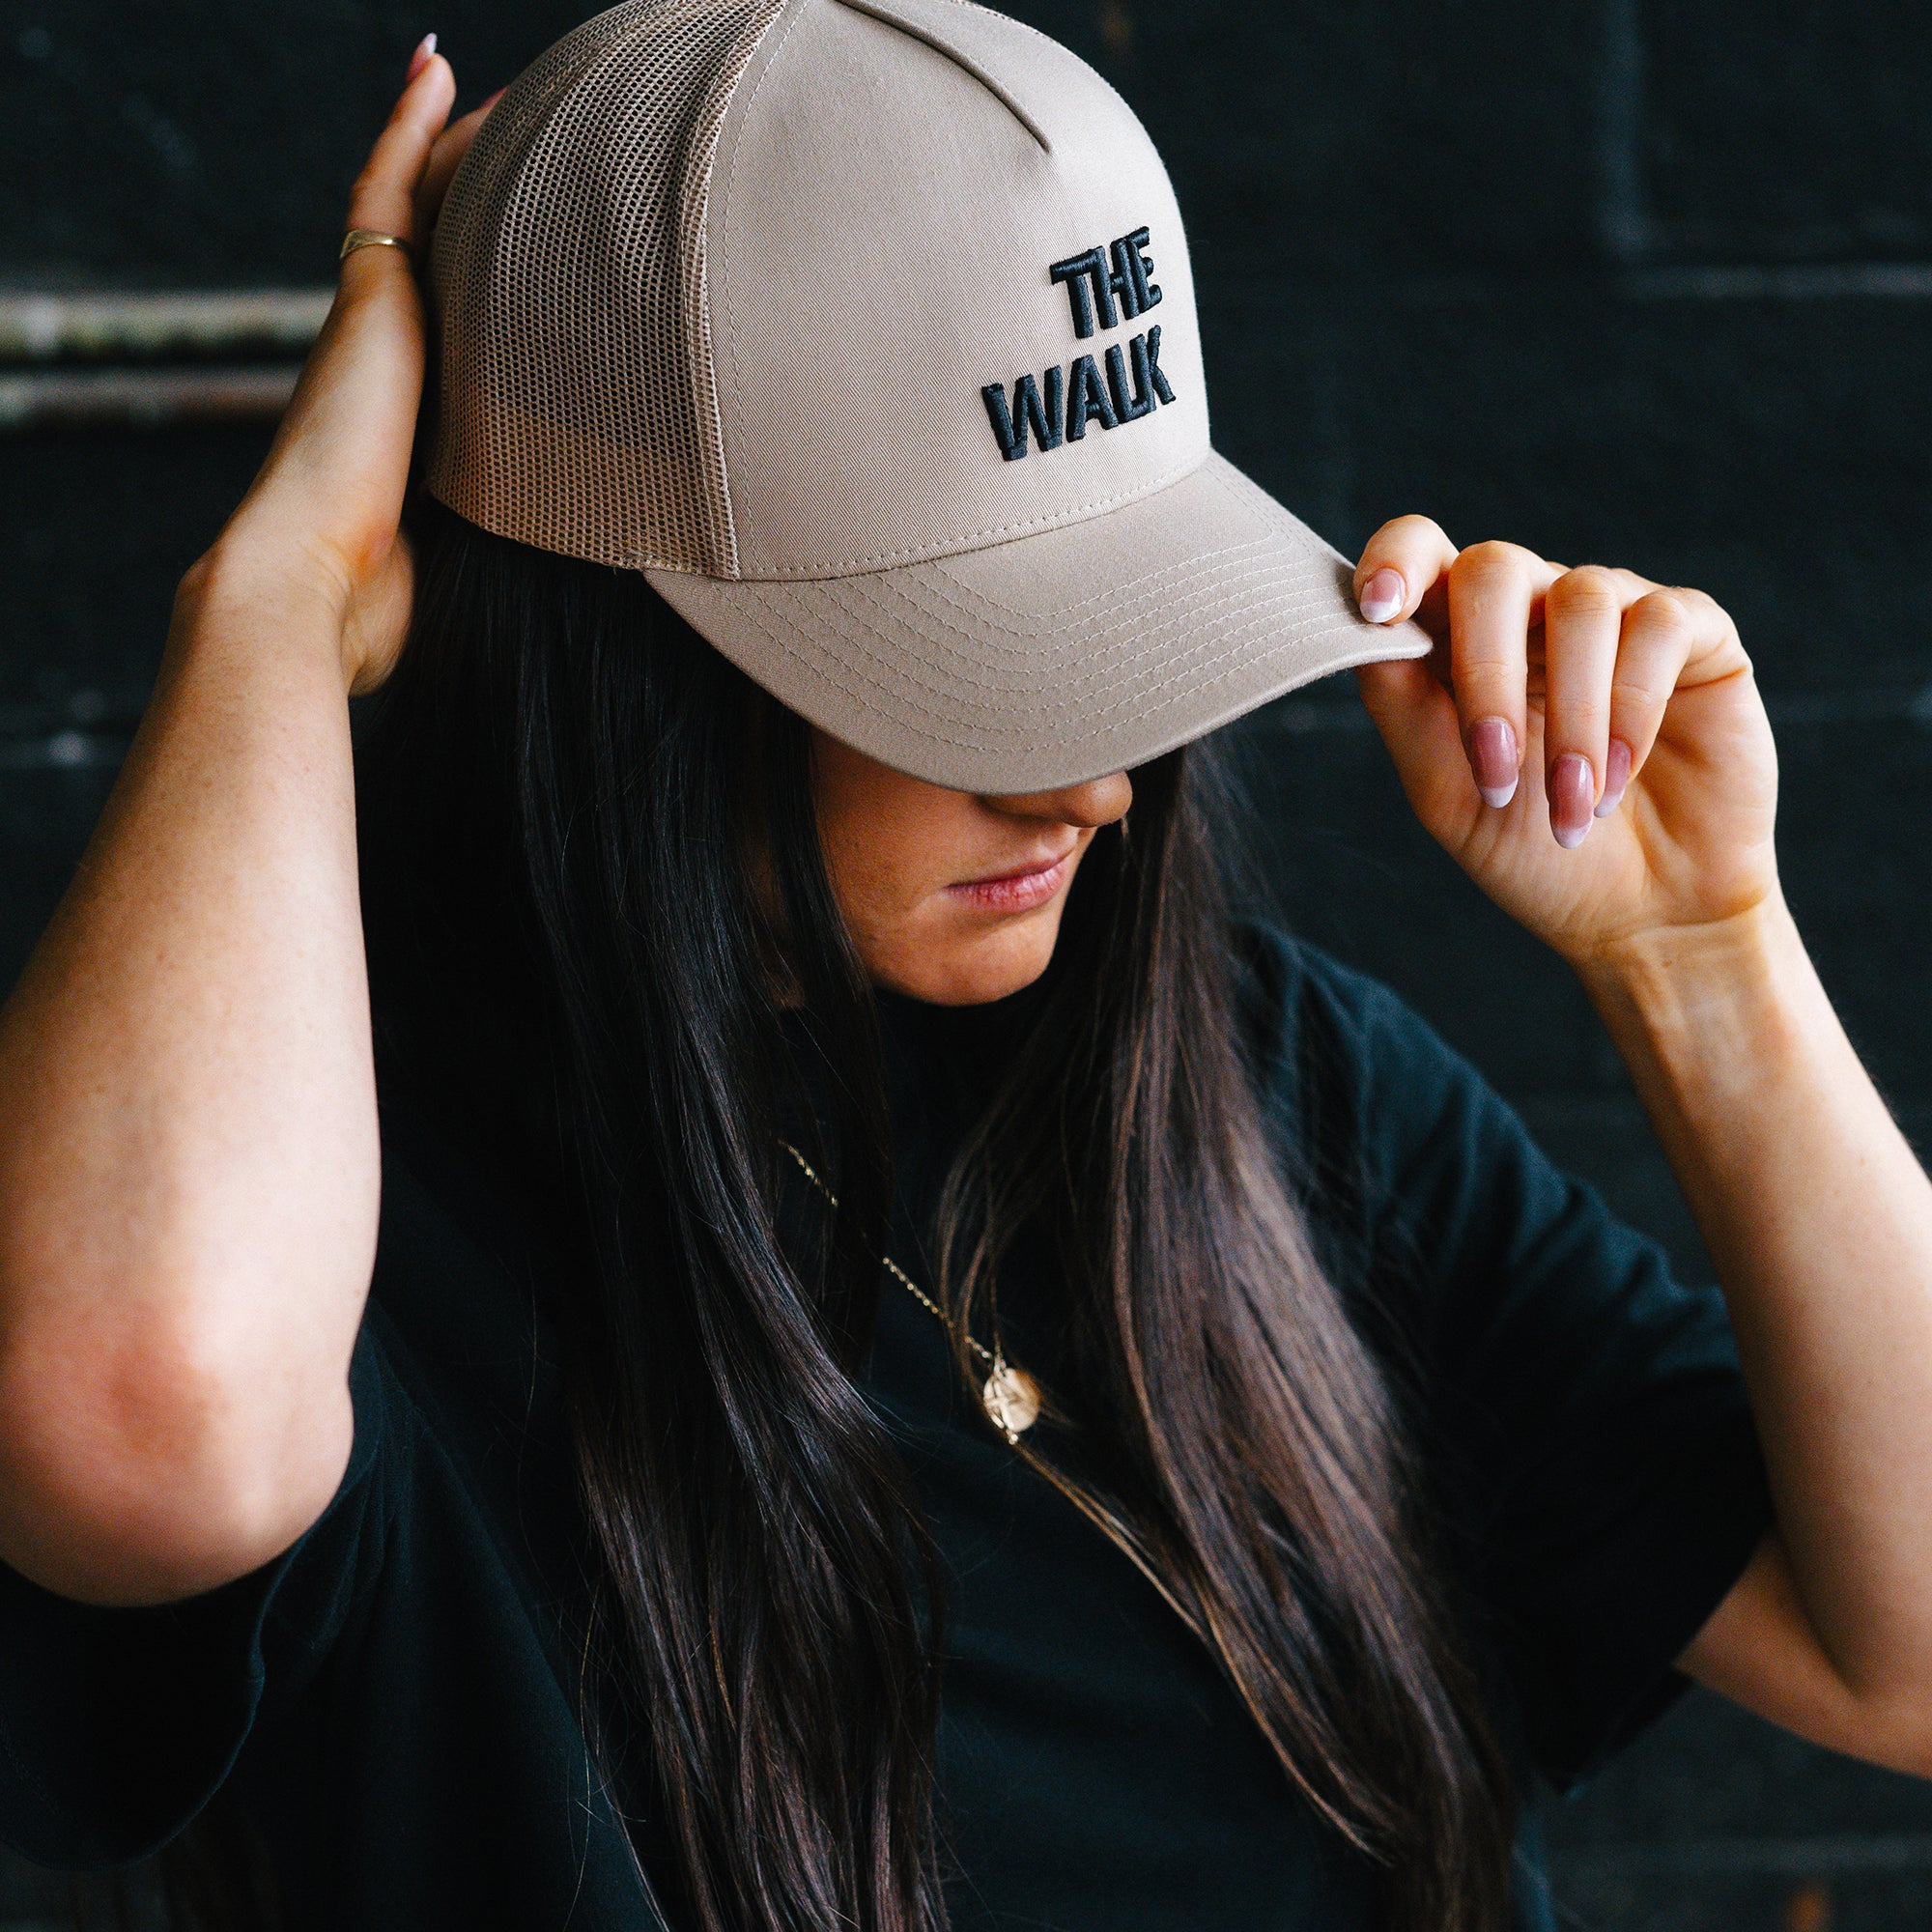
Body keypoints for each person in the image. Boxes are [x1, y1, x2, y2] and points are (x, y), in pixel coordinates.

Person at [2, 6, 1930, 1930]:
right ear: (607, 644)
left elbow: (1909, 1662)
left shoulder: (1271, 1081)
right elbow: (138, 1424)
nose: (1093, 785)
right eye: (965, 667)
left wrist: (1701, 952)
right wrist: (276, 597)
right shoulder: (333, 1228)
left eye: (1125, 628)